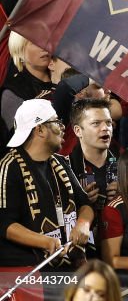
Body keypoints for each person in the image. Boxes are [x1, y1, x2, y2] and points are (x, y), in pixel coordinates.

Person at [0, 99, 93, 267]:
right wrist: (45, 241)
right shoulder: (9, 167)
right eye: (57, 122)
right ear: (40, 129)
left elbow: (85, 203)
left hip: (69, 266)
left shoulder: (60, 162)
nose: (63, 127)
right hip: (32, 273)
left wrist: (83, 224)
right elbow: (5, 224)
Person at [67, 99, 119, 257]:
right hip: (81, 255)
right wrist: (79, 199)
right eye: (96, 123)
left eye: (108, 123)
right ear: (78, 131)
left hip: (119, 254)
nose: (105, 128)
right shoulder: (64, 168)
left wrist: (126, 196)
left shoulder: (127, 166)